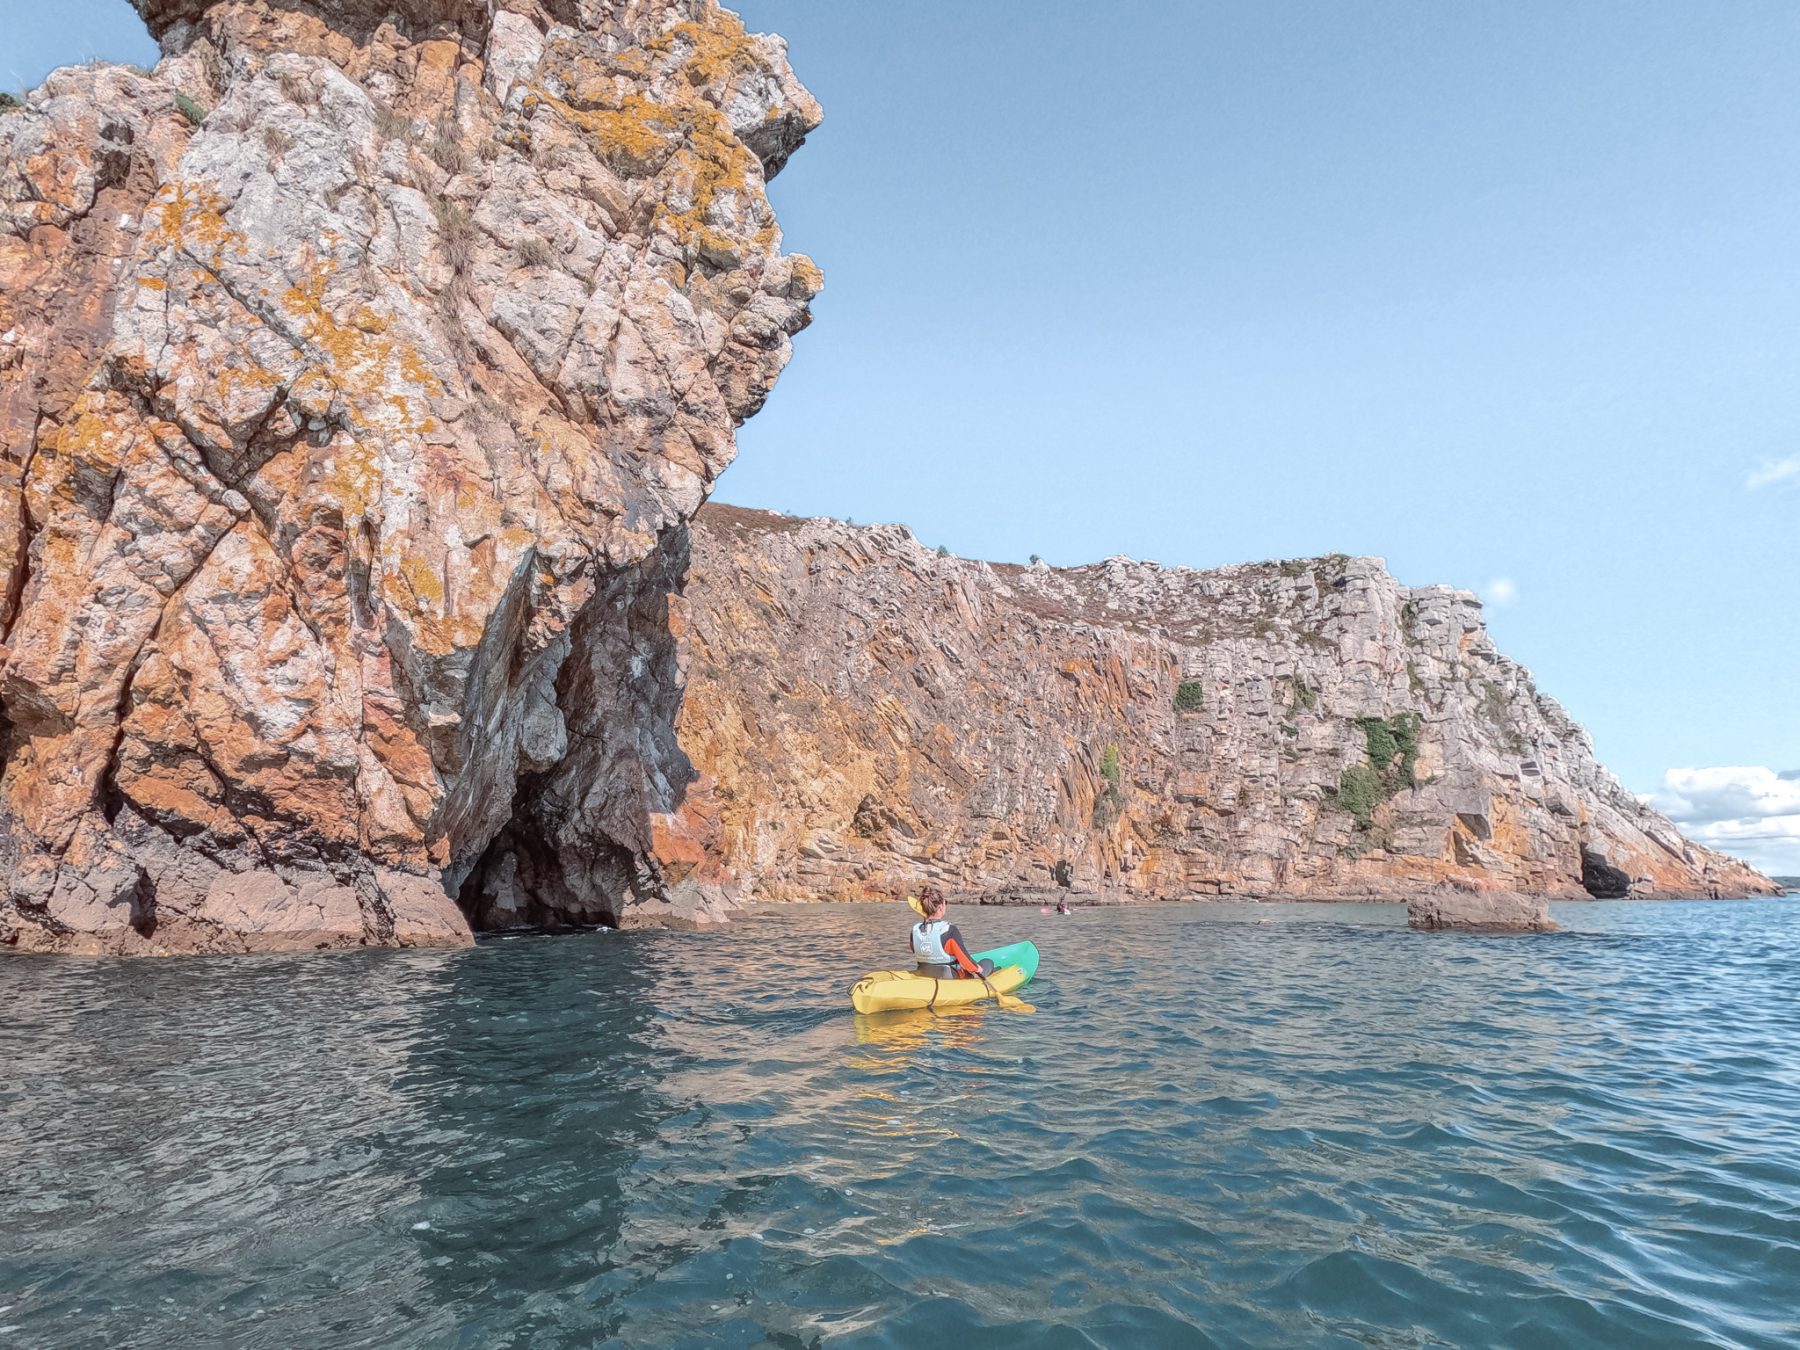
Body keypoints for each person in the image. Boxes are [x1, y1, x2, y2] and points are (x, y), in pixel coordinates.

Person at [909, 887, 995, 980]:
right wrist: (978, 968)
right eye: (945, 903)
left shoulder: (915, 930)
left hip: (923, 973)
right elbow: (966, 962)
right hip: (949, 977)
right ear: (941, 907)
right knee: (988, 962)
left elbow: (917, 950)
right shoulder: (949, 931)